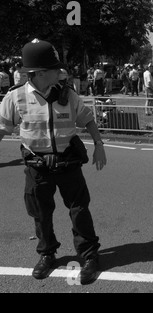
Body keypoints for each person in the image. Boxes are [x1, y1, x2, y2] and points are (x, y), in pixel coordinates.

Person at [0, 39, 107, 285]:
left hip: (68, 162)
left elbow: (87, 118)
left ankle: (89, 256)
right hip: (38, 167)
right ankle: (47, 254)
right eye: (53, 68)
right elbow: (2, 127)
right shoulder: (16, 97)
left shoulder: (67, 94)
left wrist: (99, 145)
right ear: (38, 73)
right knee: (40, 213)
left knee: (80, 210)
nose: (60, 71)